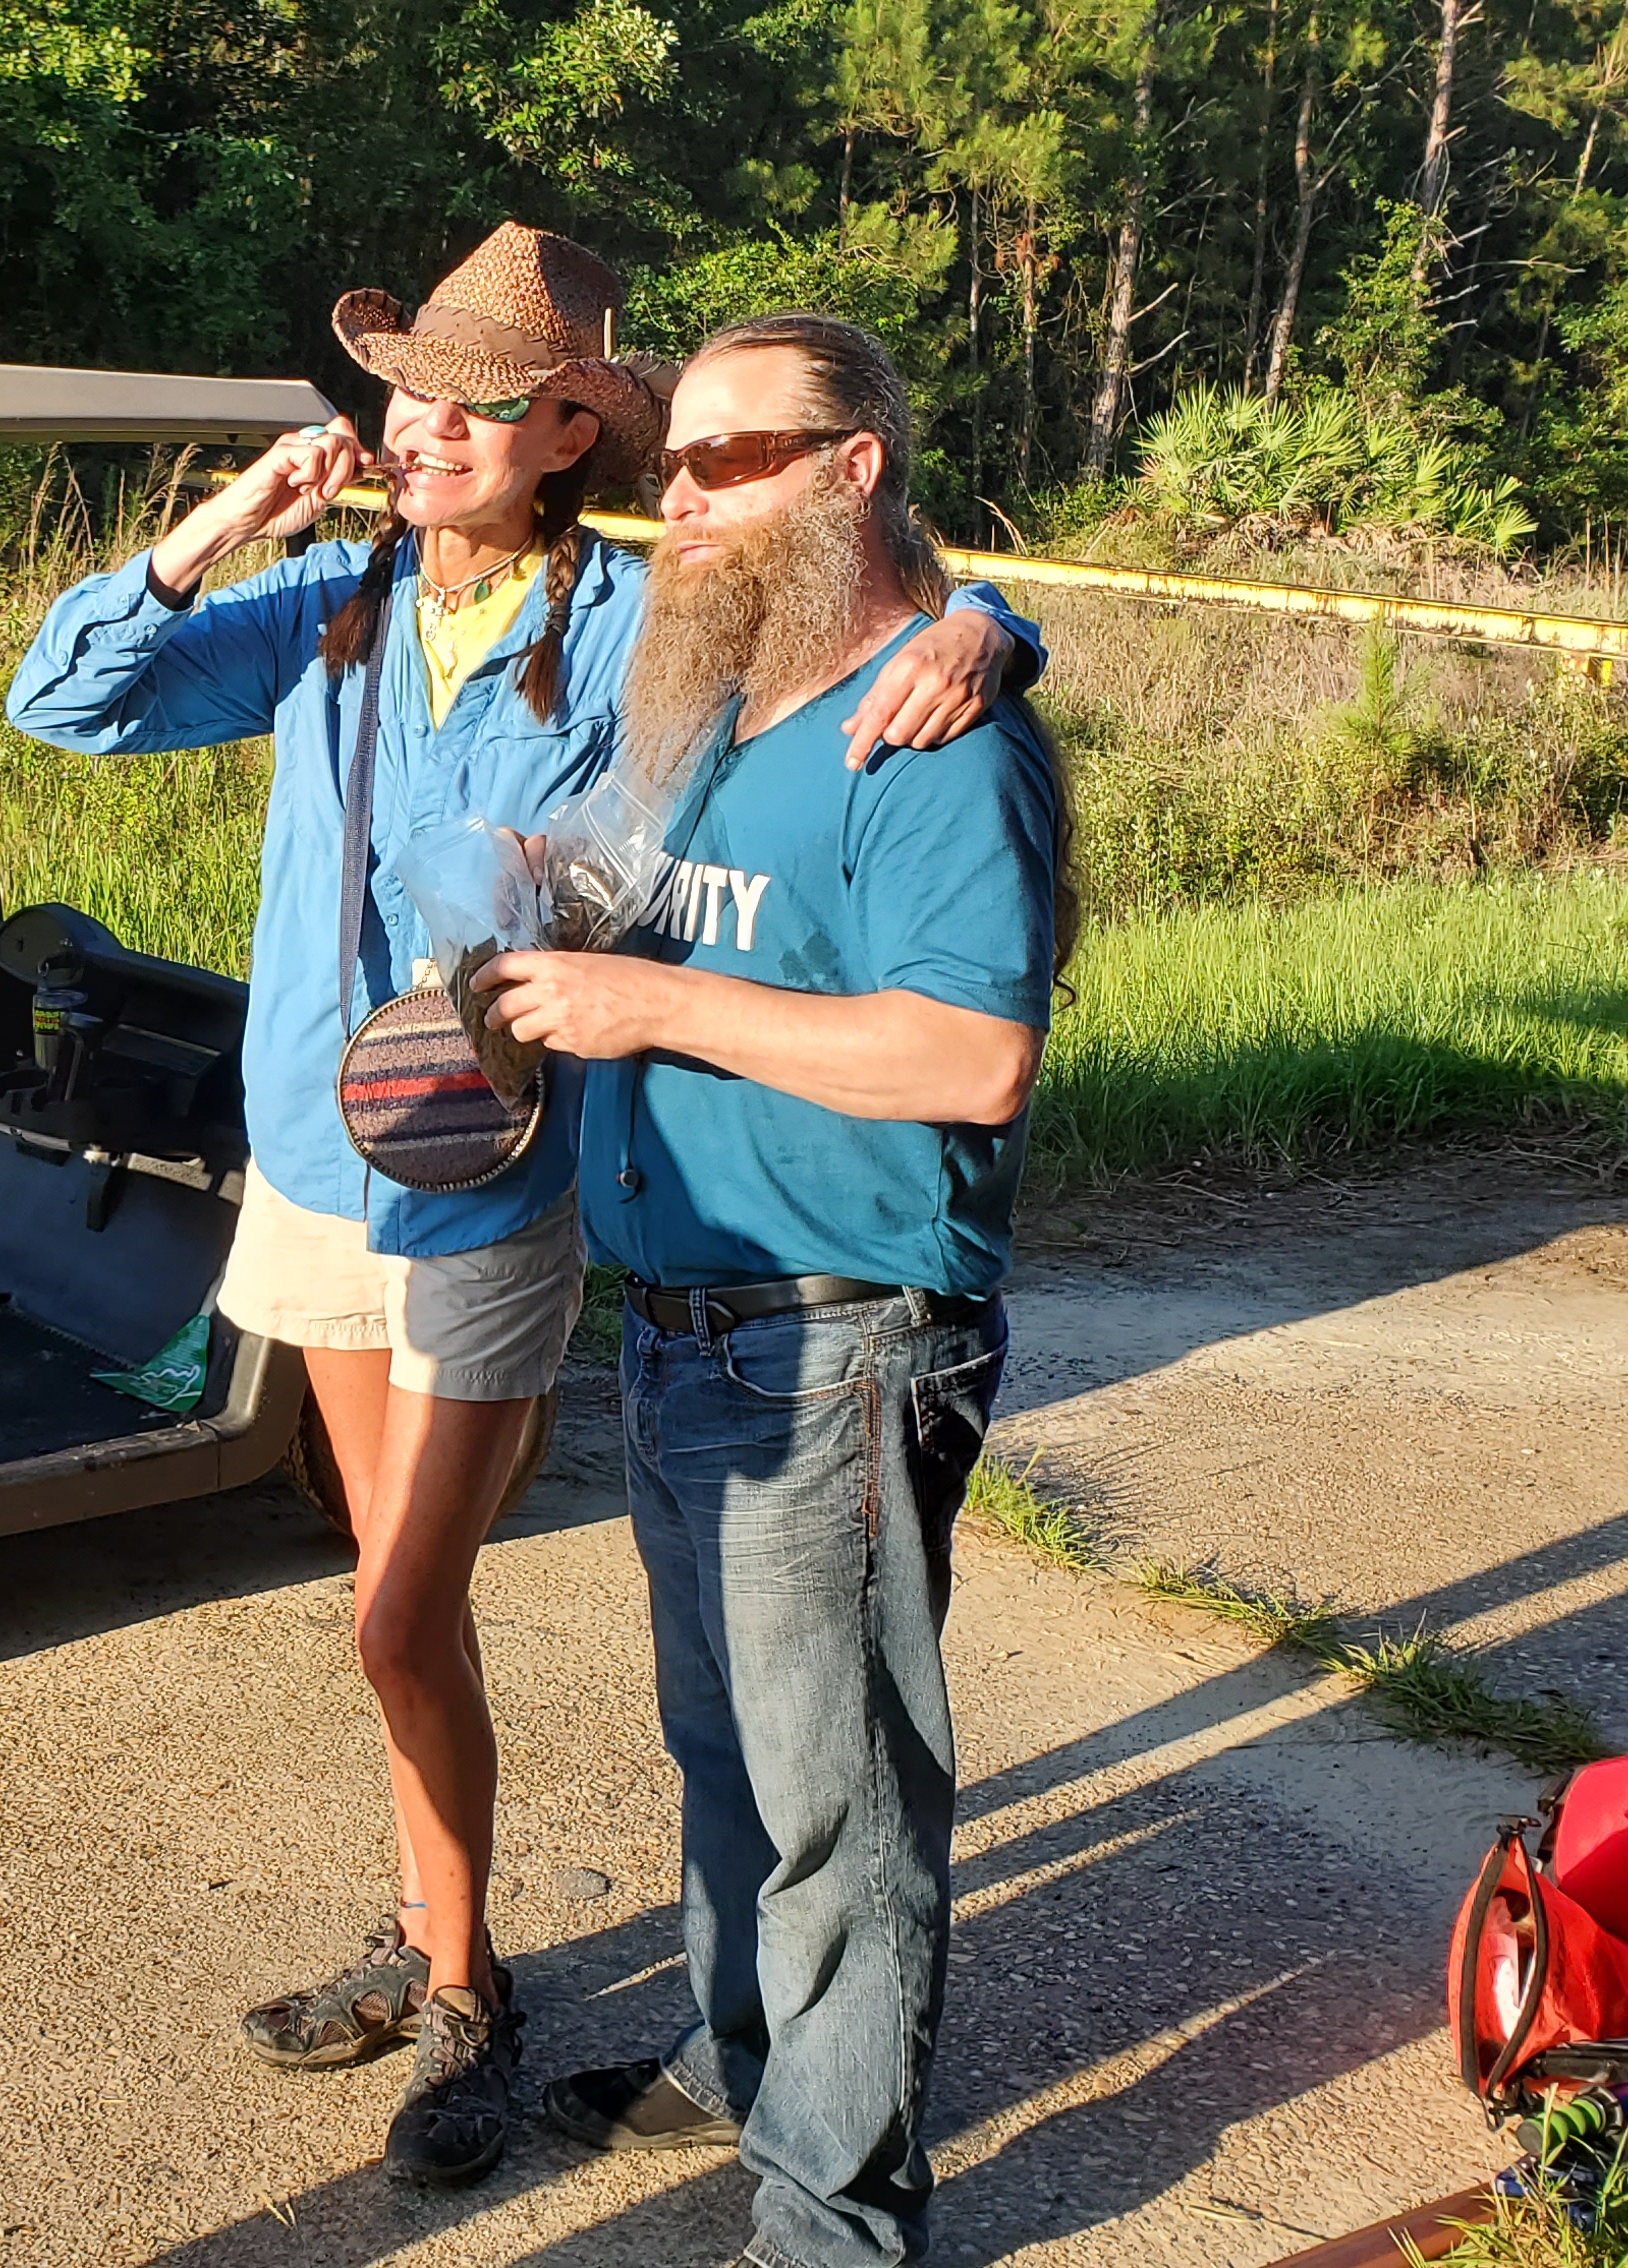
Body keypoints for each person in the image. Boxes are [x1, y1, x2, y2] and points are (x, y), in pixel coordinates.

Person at [6, 230, 1043, 2187]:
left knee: (402, 1612)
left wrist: (996, 622)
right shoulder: (328, 605)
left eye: (471, 401)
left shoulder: (647, 618)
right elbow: (72, 695)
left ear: (570, 428)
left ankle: (498, 2002)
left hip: (494, 1178)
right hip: (316, 1162)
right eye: (402, 392)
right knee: (388, 1616)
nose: (418, 428)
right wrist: (235, 514)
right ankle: (448, 1954)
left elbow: (858, 624)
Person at [481, 311, 1074, 2268]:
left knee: (843, 1821)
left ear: (857, 465)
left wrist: (650, 1004)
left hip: (834, 1339)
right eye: (680, 458)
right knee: (728, 1757)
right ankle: (740, 2067)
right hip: (681, 1331)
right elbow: (664, 899)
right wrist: (554, 900)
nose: (688, 489)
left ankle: (833, 2224)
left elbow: (966, 1060)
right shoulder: (726, 701)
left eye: (736, 455)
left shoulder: (943, 729)